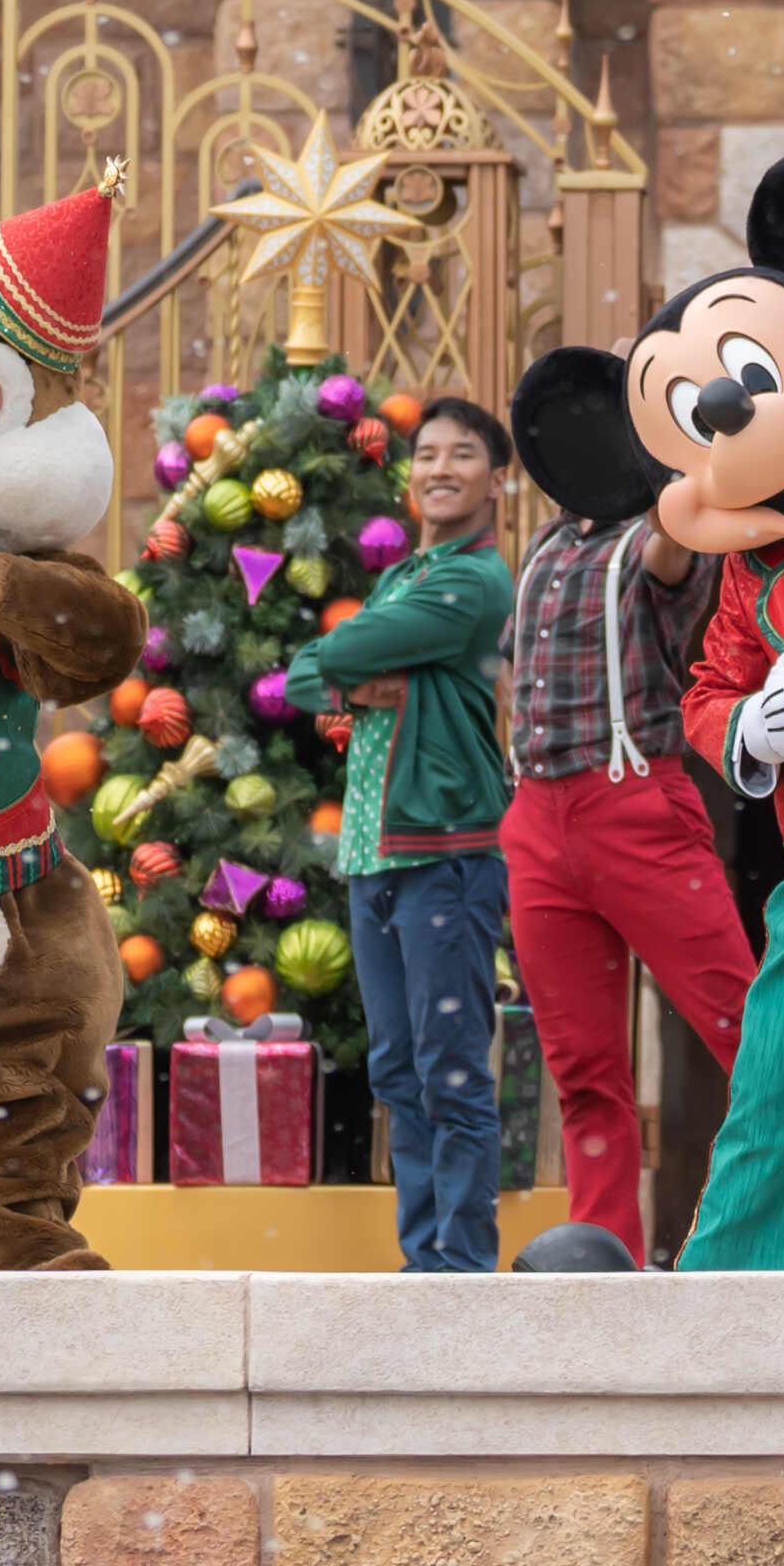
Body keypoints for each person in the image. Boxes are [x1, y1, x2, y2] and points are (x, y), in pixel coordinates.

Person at [495, 470, 750, 1263]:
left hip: (634, 801)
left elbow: (672, 554)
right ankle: (601, 1258)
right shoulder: (544, 542)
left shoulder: (655, 533)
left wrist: (677, 470)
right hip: (538, 817)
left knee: (744, 1026)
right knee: (582, 1067)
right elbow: (512, 665)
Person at [293, 398, 522, 1270]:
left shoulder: (474, 580)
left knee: (451, 1069)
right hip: (371, 856)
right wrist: (351, 673)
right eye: (427, 454)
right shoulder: (402, 581)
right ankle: (422, 1258)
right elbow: (308, 675)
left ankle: (459, 1265)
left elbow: (335, 655)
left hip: (445, 855)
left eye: (463, 454)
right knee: (397, 1071)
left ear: (496, 481)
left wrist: (347, 663)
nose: (440, 468)